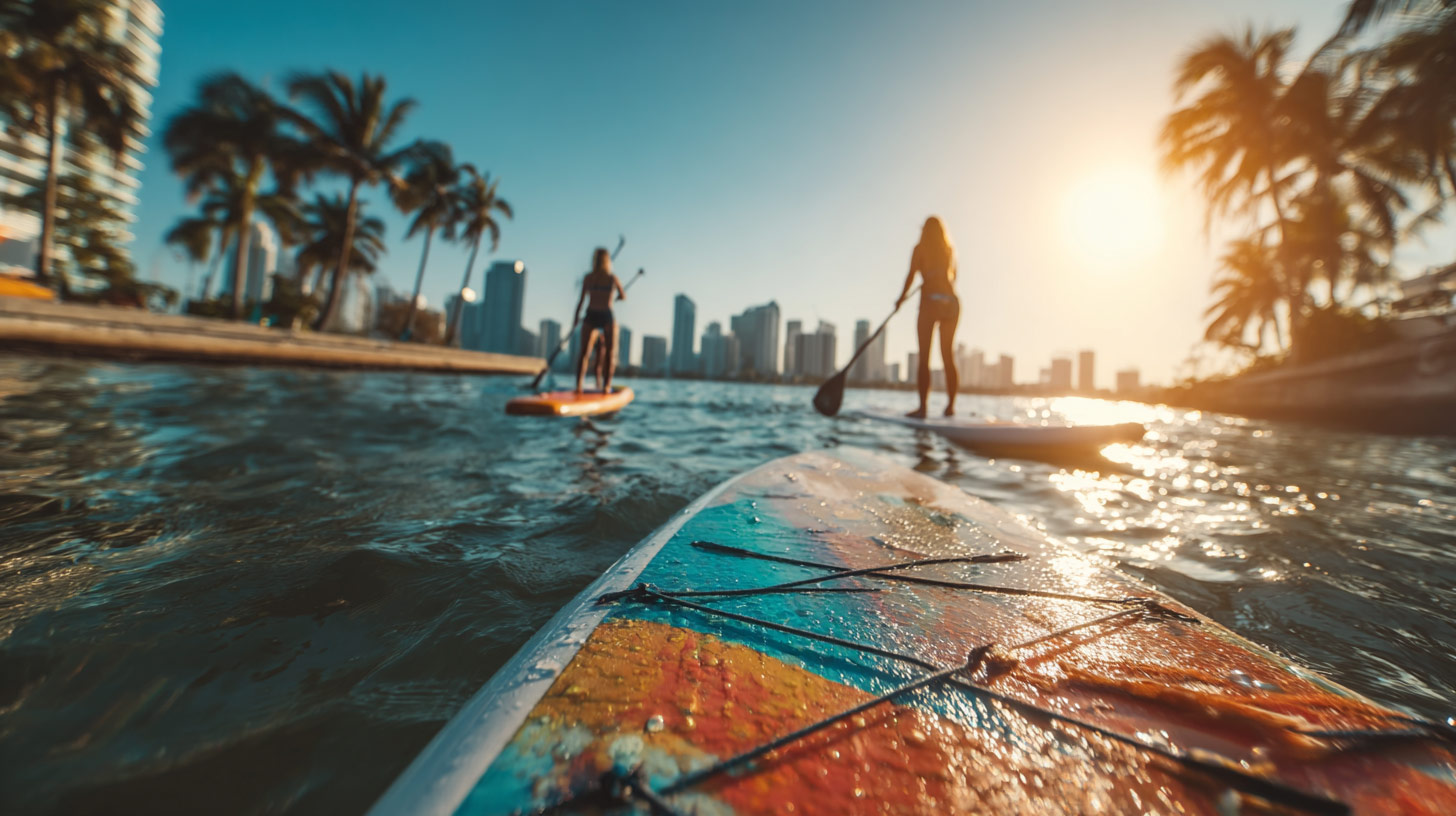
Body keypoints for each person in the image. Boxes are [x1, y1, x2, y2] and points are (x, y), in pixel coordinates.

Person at [896, 216, 959, 418]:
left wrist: (900, 299)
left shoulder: (919, 248)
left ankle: (922, 408)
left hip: (930, 303)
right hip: (951, 303)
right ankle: (950, 407)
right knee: (948, 357)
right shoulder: (949, 249)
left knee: (924, 358)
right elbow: (953, 278)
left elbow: (910, 275)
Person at [574, 247, 627, 394]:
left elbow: (581, 301)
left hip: (592, 314)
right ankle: (606, 386)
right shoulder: (612, 278)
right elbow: (623, 296)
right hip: (604, 315)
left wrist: (576, 318)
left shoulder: (589, 278)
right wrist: (617, 296)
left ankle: (579, 385)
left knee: (585, 352)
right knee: (609, 353)